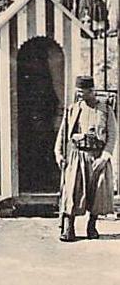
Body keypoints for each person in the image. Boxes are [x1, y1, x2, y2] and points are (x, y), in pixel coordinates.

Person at [55, 76, 117, 242]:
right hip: (77, 155)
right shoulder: (73, 109)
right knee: (73, 192)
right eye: (78, 92)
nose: (80, 95)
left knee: (98, 192)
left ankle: (92, 226)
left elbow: (112, 136)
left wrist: (104, 157)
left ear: (92, 91)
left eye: (83, 92)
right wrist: (59, 153)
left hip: (98, 157)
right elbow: (62, 134)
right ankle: (69, 227)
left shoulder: (106, 110)